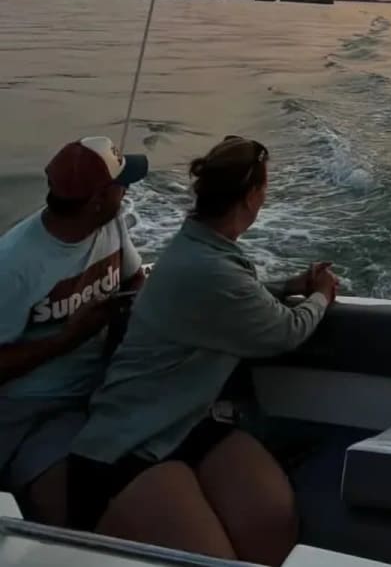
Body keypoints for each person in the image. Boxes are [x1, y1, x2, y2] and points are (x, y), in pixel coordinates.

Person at [68, 135, 338, 566]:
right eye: (264, 188)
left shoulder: (199, 248)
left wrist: (289, 286)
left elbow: (233, 298)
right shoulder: (209, 267)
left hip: (187, 421)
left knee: (272, 519)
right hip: (127, 446)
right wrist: (321, 296)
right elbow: (284, 330)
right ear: (251, 197)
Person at [0, 136, 149, 526]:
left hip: (97, 392)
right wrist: (68, 338)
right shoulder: (14, 265)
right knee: (73, 515)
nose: (128, 189)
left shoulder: (111, 224)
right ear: (97, 199)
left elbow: (135, 280)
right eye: (122, 183)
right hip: (27, 410)